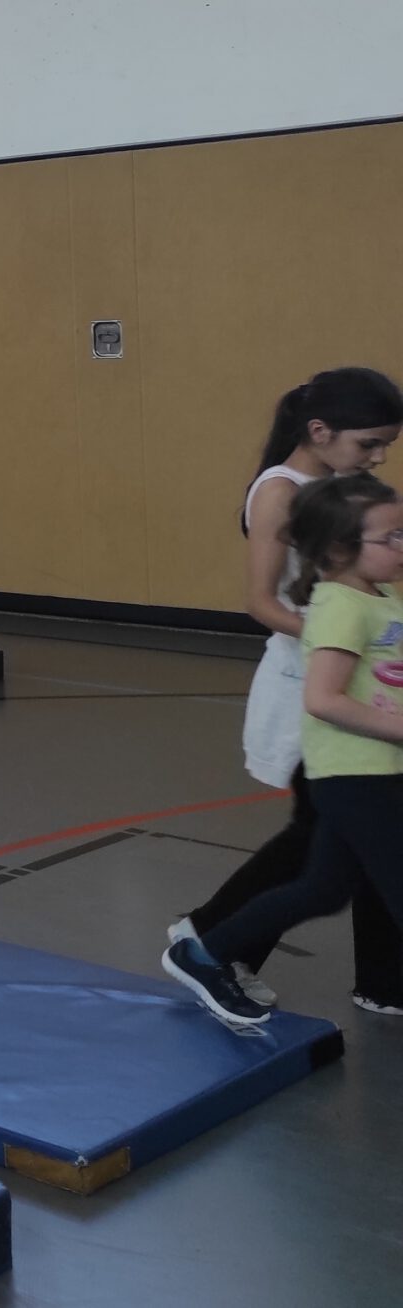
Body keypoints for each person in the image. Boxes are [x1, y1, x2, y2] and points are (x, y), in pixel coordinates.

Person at [178, 368, 403, 1016]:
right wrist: (346, 639)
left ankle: (379, 979)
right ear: (319, 430)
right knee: (319, 844)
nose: (379, 458)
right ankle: (209, 940)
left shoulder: (342, 489)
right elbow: (260, 602)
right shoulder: (281, 491)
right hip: (313, 685)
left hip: (354, 687)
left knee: (342, 851)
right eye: (370, 444)